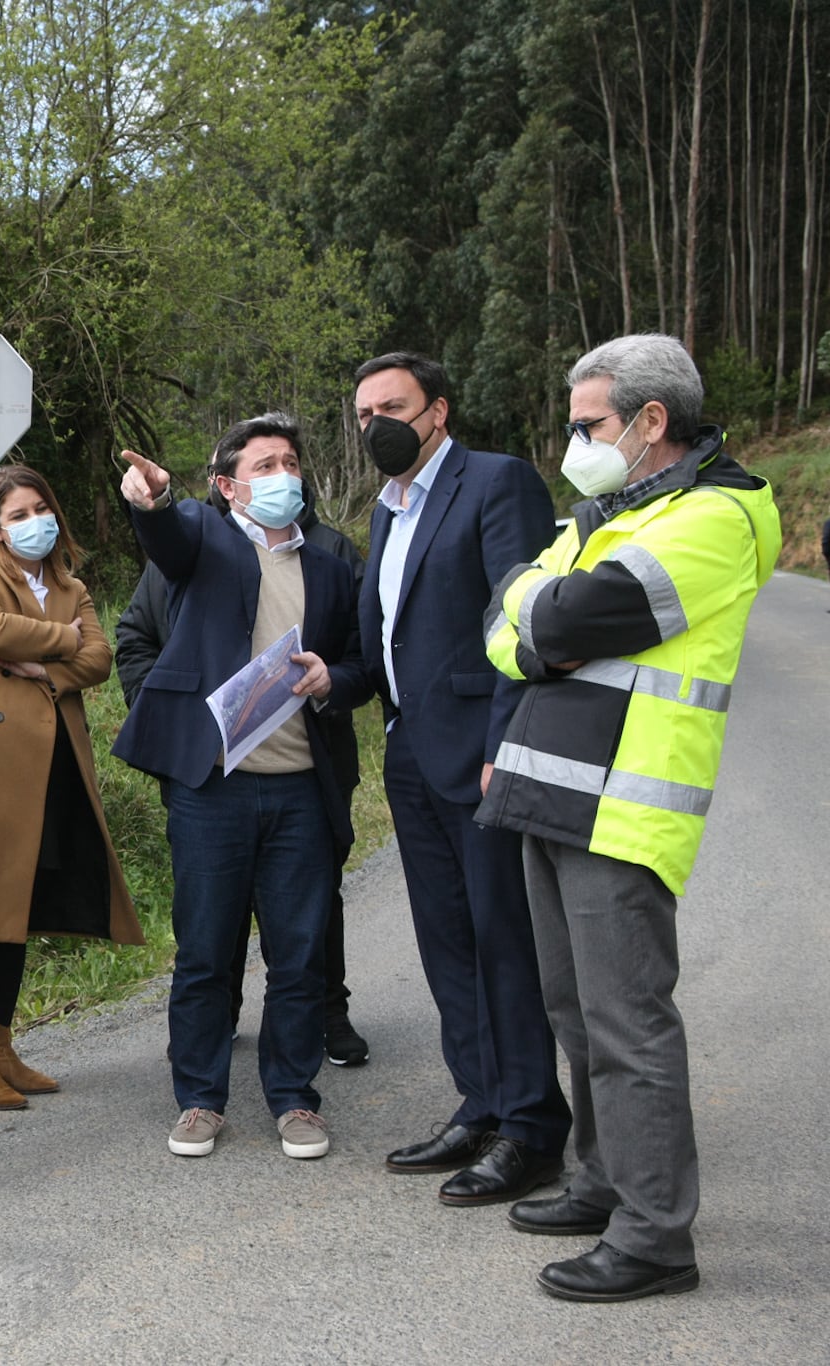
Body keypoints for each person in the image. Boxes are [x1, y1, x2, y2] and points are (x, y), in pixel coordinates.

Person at [479, 333, 779, 1302]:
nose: (571, 442)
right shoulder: (611, 511)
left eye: (587, 424)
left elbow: (560, 619)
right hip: (550, 787)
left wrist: (539, 615)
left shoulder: (714, 515)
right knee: (572, 1012)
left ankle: (653, 1236)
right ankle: (602, 1179)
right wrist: (537, 613)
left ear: (652, 422)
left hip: (623, 802)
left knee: (625, 1023)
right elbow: (504, 619)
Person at [350, 352, 570, 1206]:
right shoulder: (386, 511)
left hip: (481, 751)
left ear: (438, 410)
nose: (377, 425)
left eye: (392, 407)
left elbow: (523, 615)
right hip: (411, 753)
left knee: (501, 941)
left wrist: (505, 742)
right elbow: (396, 634)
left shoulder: (496, 482)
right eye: (364, 413)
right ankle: (480, 1103)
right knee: (446, 942)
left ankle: (531, 1129)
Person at [112, 415, 359, 1161]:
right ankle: (199, 1098)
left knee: (299, 954)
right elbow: (169, 534)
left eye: (291, 461)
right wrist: (151, 501)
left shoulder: (330, 562)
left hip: (300, 792)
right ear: (227, 486)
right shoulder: (205, 541)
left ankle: (294, 1098)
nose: (285, 474)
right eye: (265, 465)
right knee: (206, 953)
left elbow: (359, 664)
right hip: (213, 793)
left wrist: (332, 681)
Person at [0, 465, 143, 1110]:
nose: (32, 522)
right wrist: (65, 640)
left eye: (41, 508)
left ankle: (2, 1047)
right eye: (17, 514)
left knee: (14, 908)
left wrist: (46, 664)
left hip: (52, 761)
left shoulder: (70, 584)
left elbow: (99, 660)